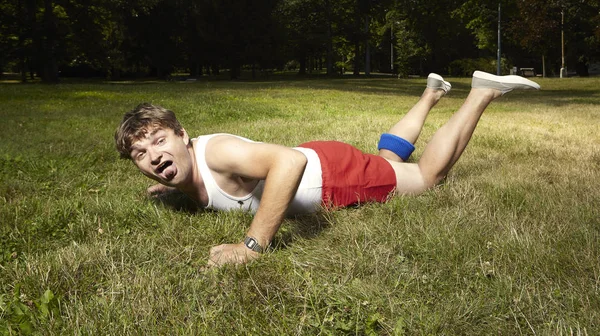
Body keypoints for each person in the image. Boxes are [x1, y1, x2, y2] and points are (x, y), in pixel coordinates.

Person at [115, 71, 540, 267]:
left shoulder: (217, 153)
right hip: (325, 159)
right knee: (389, 162)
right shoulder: (187, 172)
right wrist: (174, 188)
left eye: (159, 141)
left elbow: (289, 160)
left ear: (184, 135)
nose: (153, 156)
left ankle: (482, 92)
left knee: (428, 177)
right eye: (140, 154)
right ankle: (432, 94)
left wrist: (252, 246)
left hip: (333, 176)